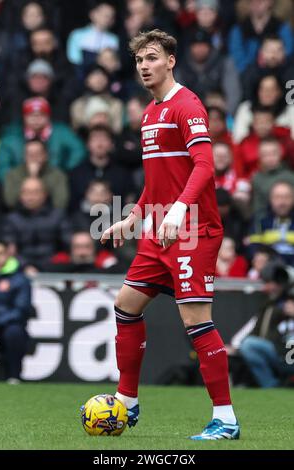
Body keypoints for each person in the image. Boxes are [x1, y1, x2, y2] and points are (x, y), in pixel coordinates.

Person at [100, 29, 240, 440]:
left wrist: (180, 208)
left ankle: (226, 419)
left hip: (194, 229)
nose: (144, 66)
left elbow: (204, 166)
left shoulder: (188, 105)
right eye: (140, 60)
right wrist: (133, 217)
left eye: (152, 58)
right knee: (126, 305)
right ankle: (127, 401)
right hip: (160, 229)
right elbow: (160, 180)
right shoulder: (149, 113)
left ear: (171, 61)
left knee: (195, 320)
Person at [0, 239, 31, 383]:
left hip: (8, 325)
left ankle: (14, 376)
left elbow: (21, 309)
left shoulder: (20, 280)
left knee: (14, 331)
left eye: (0, 254)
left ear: (7, 255)